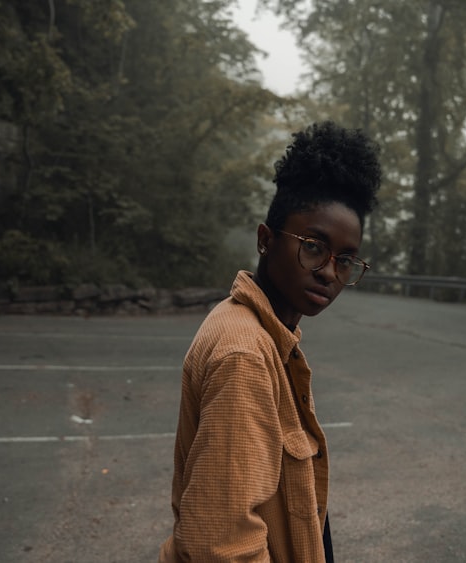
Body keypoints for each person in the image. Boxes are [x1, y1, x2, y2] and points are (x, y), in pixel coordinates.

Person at [158, 121, 382, 562]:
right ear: (266, 240)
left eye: (346, 259)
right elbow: (220, 547)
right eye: (314, 246)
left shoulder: (265, 334)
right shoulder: (245, 353)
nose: (329, 272)